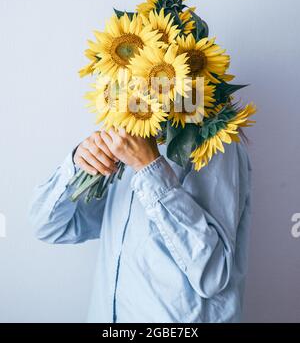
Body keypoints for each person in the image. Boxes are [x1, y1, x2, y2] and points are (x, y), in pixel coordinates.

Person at [29, 128, 252, 323]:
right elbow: (49, 227)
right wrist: (78, 162)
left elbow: (213, 273)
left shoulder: (215, 141)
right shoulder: (127, 133)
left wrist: (149, 166)